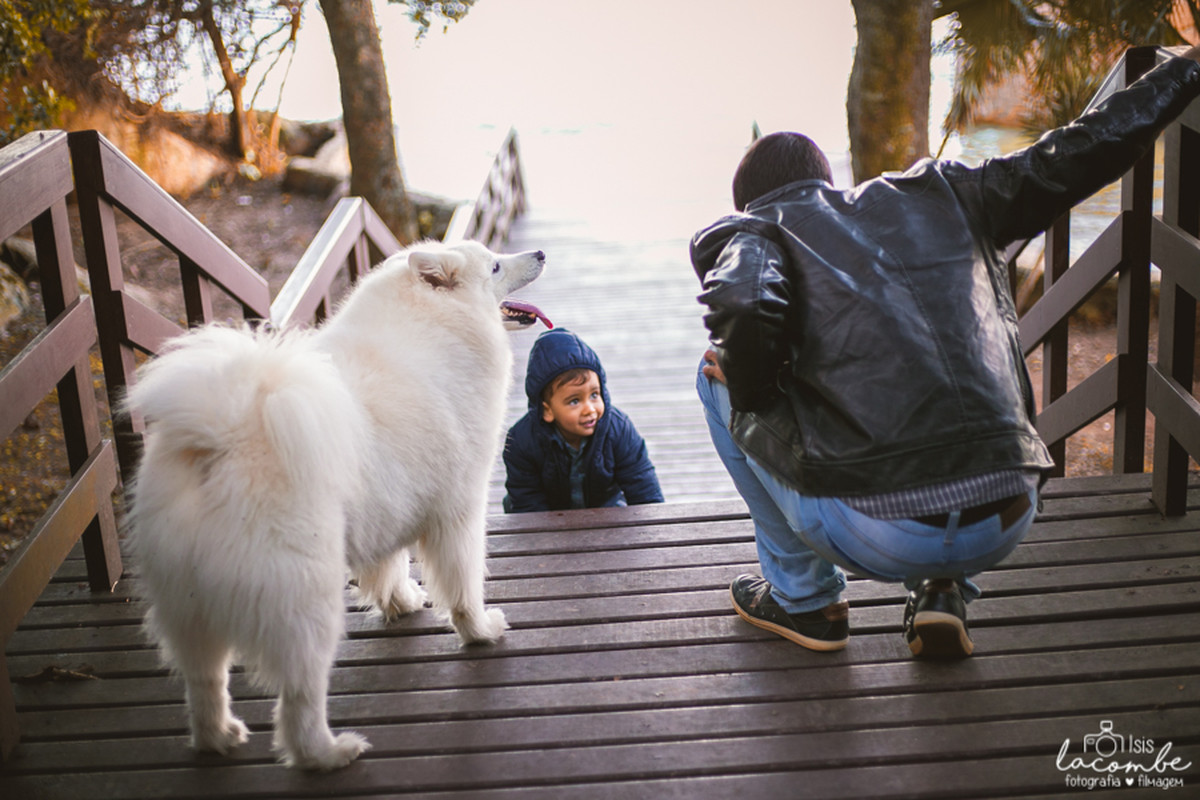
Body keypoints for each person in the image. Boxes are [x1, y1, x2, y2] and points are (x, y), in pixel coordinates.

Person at [691, 47, 1200, 659]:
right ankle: (942, 589)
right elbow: (1086, 146)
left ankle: (806, 600)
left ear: (753, 203)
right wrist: (1189, 67)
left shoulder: (764, 230)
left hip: (878, 534)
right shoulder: (944, 192)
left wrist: (759, 390)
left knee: (715, 376)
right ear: (829, 181)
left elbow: (743, 306)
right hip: (1008, 514)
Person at [504, 327, 664, 512]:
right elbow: (527, 500)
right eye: (574, 401)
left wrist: (653, 527)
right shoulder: (522, 441)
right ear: (547, 410)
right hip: (549, 514)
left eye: (595, 395)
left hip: (605, 508)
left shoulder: (619, 429)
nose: (589, 409)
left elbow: (643, 486)